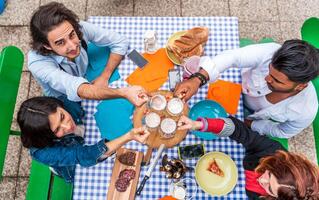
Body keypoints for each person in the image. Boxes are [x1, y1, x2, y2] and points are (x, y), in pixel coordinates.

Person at [28, 2, 148, 124]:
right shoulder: (38, 63)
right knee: (79, 122)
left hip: (86, 75)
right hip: (63, 96)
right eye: (60, 43)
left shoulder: (77, 28)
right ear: (47, 46)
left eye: (72, 35)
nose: (72, 46)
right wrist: (123, 92)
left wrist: (105, 76)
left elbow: (120, 41)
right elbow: (77, 87)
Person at [174, 40, 319, 138]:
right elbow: (234, 57)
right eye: (269, 71)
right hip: (234, 88)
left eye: (277, 81)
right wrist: (198, 78)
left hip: (250, 117)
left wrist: (248, 124)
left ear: (300, 86)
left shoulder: (306, 111)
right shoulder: (271, 51)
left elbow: (282, 131)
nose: (267, 79)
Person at [178, 115, 319, 199]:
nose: (261, 179)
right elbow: (239, 130)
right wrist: (199, 124)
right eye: (269, 174)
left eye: (269, 188)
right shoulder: (272, 151)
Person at [17, 97, 150, 183]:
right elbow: (85, 155)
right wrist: (129, 136)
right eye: (57, 130)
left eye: (62, 117)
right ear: (47, 136)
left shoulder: (63, 101)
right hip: (72, 166)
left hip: (83, 143)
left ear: (57, 104)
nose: (68, 126)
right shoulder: (43, 153)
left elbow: (82, 93)